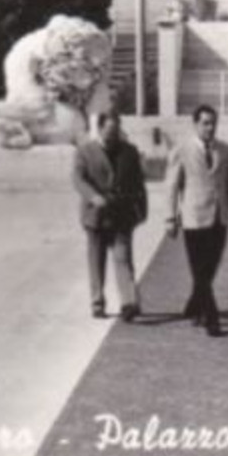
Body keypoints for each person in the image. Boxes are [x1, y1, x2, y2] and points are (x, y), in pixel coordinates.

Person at [165, 104, 228, 337]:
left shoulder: (226, 151)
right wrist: (170, 217)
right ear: (195, 124)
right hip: (194, 217)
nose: (210, 128)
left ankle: (195, 304)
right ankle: (212, 318)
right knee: (200, 269)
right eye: (205, 123)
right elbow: (171, 186)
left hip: (220, 218)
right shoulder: (182, 150)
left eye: (213, 123)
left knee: (209, 269)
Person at [72, 108, 148, 321]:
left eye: (116, 130)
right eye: (109, 130)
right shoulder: (85, 151)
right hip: (95, 215)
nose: (113, 135)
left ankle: (129, 303)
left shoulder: (130, 151)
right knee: (96, 261)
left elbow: (138, 182)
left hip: (122, 214)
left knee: (123, 258)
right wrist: (93, 196)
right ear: (100, 129)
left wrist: (142, 209)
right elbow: (78, 179)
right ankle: (97, 302)